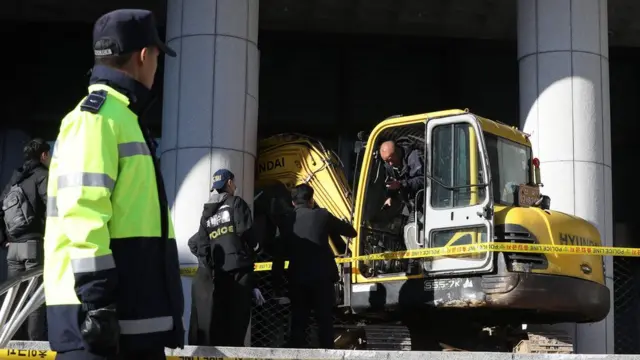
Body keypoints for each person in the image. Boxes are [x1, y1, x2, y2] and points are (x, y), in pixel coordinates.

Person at [43, 9, 184, 360]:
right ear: (143, 56)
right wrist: (98, 304)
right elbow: (83, 215)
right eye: (156, 57)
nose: (156, 67)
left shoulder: (118, 119)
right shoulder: (99, 119)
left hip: (122, 322)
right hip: (103, 326)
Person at [192, 169, 263, 346]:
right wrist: (256, 247)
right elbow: (245, 230)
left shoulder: (206, 214)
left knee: (221, 317)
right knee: (238, 318)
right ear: (229, 183)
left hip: (220, 272)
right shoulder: (236, 203)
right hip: (239, 268)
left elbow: (200, 243)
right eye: (234, 183)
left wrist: (210, 266)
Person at [285, 184, 357, 349]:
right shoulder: (323, 215)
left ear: (293, 203)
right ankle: (326, 354)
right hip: (321, 278)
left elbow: (279, 252)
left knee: (299, 322)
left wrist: (277, 283)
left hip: (297, 279)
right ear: (311, 200)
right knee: (324, 322)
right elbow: (351, 232)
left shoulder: (287, 220)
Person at [0, 138, 50, 341]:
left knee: (13, 296)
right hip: (33, 245)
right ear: (44, 155)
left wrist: (5, 240)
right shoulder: (42, 176)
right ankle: (33, 343)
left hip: (13, 248)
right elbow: (52, 207)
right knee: (34, 299)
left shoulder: (14, 180)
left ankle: (11, 342)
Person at [379, 140, 425, 213]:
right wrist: (390, 196)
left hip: (424, 202)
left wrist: (402, 184)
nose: (390, 164)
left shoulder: (414, 157)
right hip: (410, 204)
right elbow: (394, 183)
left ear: (398, 152)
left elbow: (423, 180)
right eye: (386, 161)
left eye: (391, 159)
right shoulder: (390, 165)